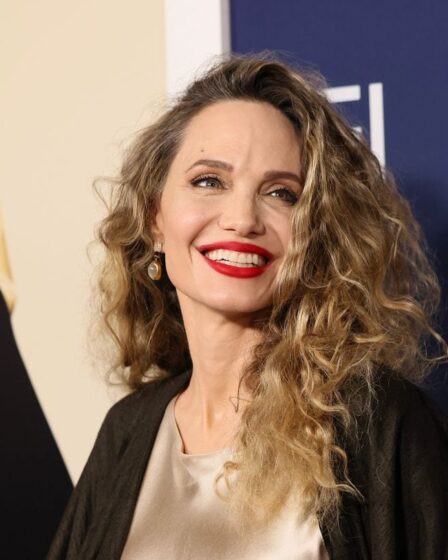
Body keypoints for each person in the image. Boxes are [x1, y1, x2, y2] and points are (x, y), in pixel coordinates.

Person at [47, 51, 448, 560]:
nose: (242, 218)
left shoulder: (378, 421)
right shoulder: (128, 431)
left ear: (315, 233)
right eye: (209, 181)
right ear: (154, 218)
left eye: (281, 193)